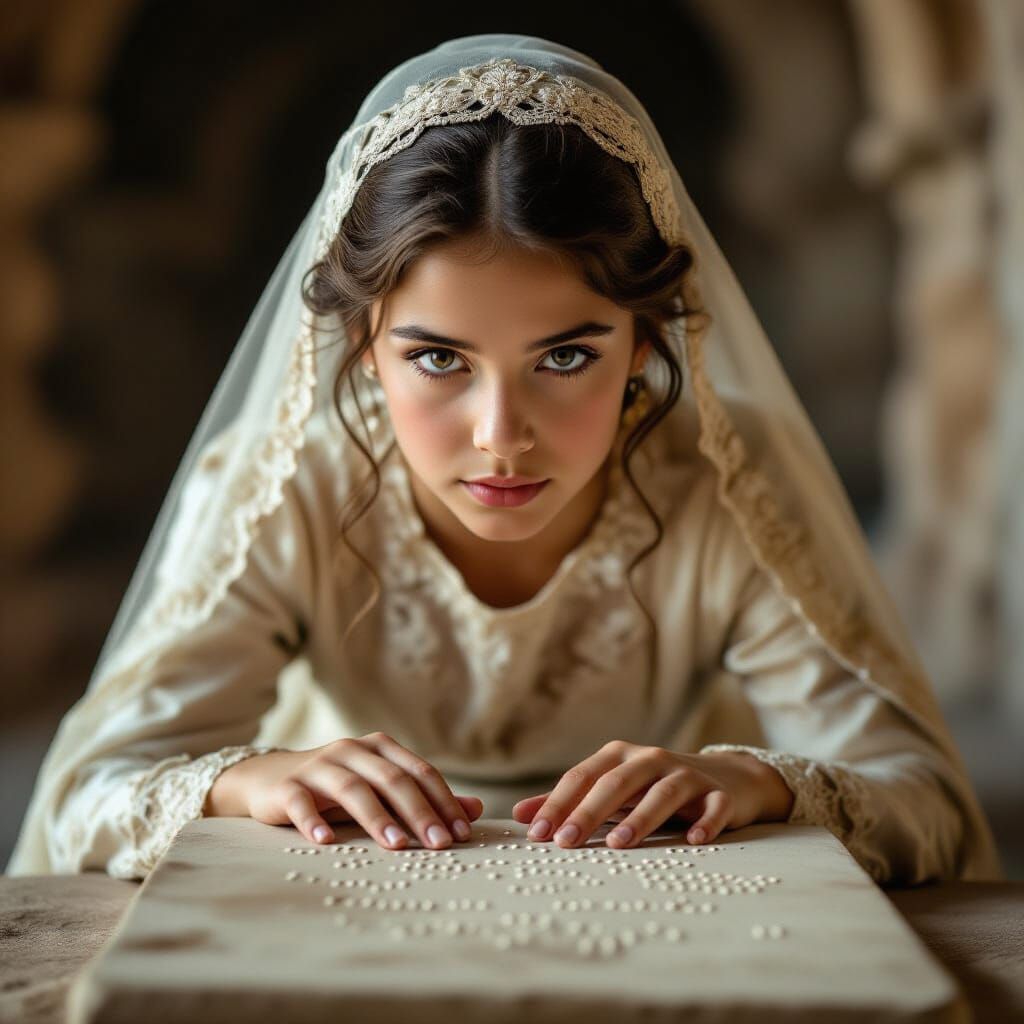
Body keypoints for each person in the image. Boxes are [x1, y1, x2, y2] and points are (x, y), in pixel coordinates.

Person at [6, 34, 1004, 886]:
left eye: (565, 356)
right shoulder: (287, 484)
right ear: (362, 348)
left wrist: (767, 781)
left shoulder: (728, 480)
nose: (499, 432)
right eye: (437, 358)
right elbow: (88, 793)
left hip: (657, 892)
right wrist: (241, 781)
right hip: (359, 886)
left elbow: (926, 806)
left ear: (645, 343)